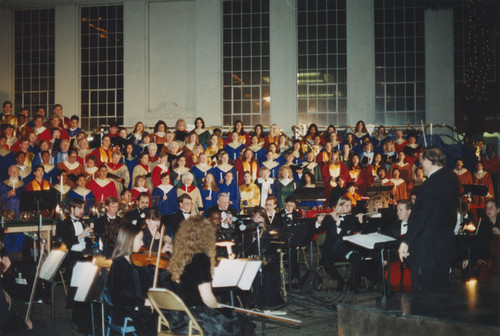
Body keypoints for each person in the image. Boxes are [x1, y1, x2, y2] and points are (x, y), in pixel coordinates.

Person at [167, 216, 254, 335]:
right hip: (198, 319)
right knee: (242, 321)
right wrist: (218, 307)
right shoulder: (201, 258)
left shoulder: (179, 258)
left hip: (179, 318)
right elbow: (207, 297)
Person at [398, 147, 460, 292]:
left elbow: (422, 216)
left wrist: (406, 241)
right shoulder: (452, 178)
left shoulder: (430, 185)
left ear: (428, 160)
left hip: (427, 251)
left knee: (424, 298)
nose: (421, 166)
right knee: (441, 294)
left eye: (421, 162)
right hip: (445, 246)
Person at [106, 224, 155, 336]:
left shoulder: (133, 262)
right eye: (140, 239)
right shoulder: (118, 263)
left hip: (134, 307)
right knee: (157, 319)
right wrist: (143, 302)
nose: (142, 243)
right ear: (129, 240)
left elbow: (141, 287)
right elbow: (118, 297)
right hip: (124, 311)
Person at [316, 196, 364, 292]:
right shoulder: (330, 218)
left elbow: (349, 231)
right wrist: (318, 221)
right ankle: (339, 280)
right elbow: (318, 230)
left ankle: (353, 283)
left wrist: (361, 221)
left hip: (346, 248)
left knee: (357, 258)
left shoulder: (351, 218)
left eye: (350, 205)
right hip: (331, 250)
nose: (350, 208)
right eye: (347, 206)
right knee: (325, 262)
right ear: (340, 206)